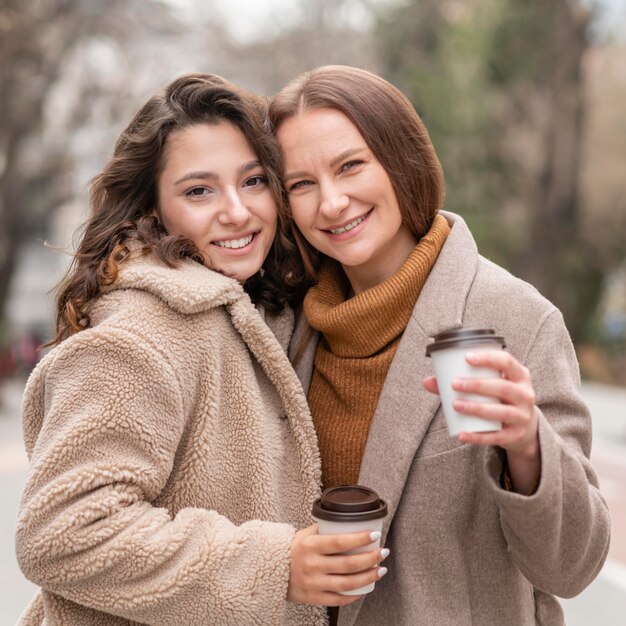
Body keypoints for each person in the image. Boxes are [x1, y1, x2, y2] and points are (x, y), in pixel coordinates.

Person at [15, 72, 388, 626]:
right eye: (198, 190)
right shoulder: (141, 333)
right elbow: (62, 531)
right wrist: (276, 566)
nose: (237, 212)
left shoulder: (256, 311)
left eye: (255, 181)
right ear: (152, 209)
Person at [269, 65, 611, 625]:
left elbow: (572, 567)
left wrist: (527, 447)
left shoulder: (516, 318)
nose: (331, 202)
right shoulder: (286, 325)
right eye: (301, 184)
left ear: (400, 161)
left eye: (351, 165)